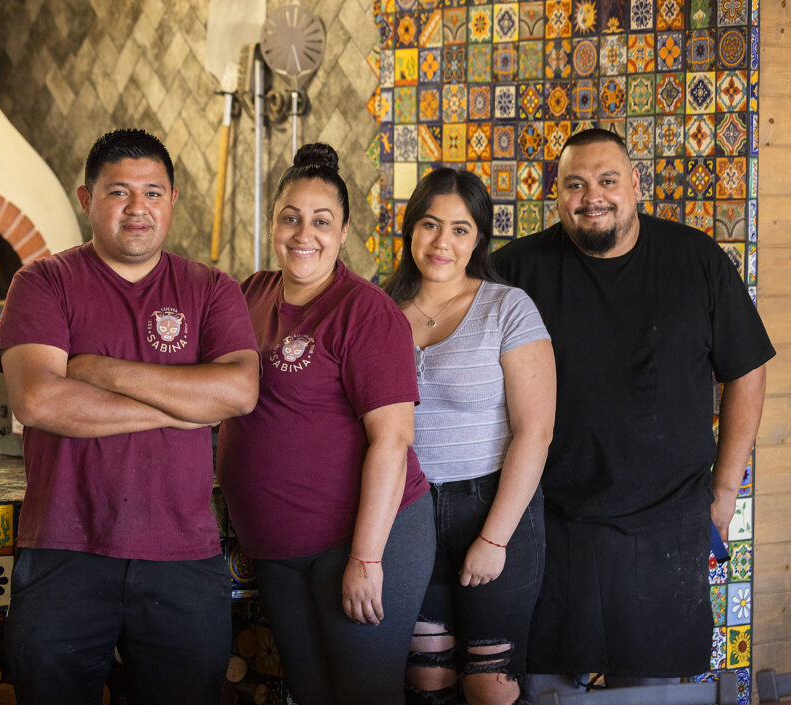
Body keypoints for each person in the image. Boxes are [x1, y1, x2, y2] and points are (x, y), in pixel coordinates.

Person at [491, 128, 774, 693]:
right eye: (575, 184)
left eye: (607, 180)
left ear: (636, 186)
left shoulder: (696, 260)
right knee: (547, 690)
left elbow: (747, 371)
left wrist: (724, 491)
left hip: (667, 528)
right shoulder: (516, 270)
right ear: (557, 195)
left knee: (655, 692)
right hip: (549, 525)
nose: (592, 195)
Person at [0, 128, 260, 705]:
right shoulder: (42, 283)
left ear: (173, 200)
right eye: (119, 192)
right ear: (86, 199)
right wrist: (183, 407)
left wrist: (97, 370)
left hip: (183, 555)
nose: (139, 208)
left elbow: (237, 392)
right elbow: (39, 401)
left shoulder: (211, 289)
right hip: (65, 549)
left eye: (153, 193)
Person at [216, 143, 436, 705]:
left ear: (342, 234)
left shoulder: (364, 311)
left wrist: (366, 558)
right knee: (311, 693)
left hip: (359, 540)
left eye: (321, 221)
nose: (303, 233)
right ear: (272, 225)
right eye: (291, 218)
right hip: (279, 547)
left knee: (364, 694)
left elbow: (393, 439)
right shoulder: (251, 293)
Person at [384, 167, 555, 705]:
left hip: (491, 507)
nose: (442, 242)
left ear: (478, 238)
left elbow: (536, 432)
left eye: (460, 229)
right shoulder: (377, 310)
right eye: (430, 225)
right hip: (406, 513)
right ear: (410, 228)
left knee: (489, 684)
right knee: (424, 678)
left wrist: (494, 538)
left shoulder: (508, 308)